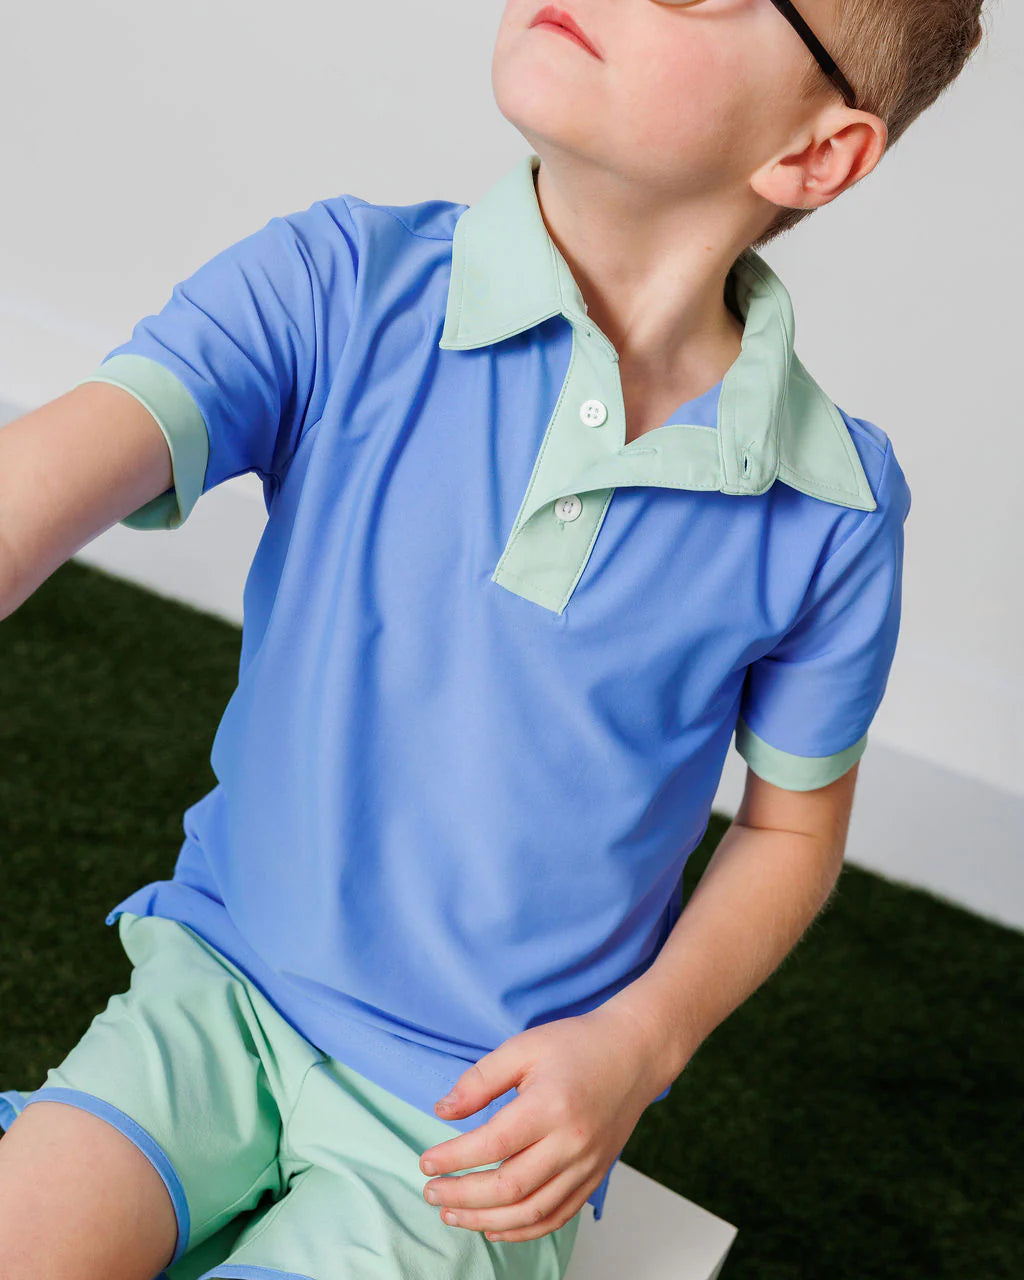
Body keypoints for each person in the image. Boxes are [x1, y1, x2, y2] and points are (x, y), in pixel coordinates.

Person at [0, 0, 987, 1276]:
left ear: (814, 152)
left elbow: (790, 828)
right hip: (215, 992)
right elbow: (44, 479)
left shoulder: (833, 505)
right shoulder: (334, 280)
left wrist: (639, 1050)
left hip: (483, 1128)